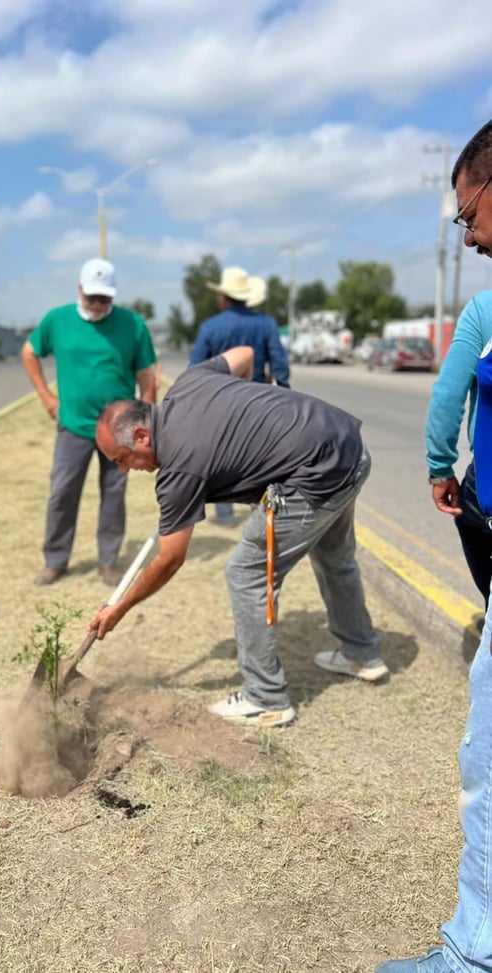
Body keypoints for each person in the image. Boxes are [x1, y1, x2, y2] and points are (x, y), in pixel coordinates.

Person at [89, 346, 385, 728]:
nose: (126, 471)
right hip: (346, 447)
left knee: (247, 575)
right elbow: (244, 355)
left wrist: (119, 608)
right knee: (334, 557)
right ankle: (362, 653)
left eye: (121, 459)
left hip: (316, 474)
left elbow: (169, 559)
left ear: (142, 435)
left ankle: (266, 698)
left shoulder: (179, 472)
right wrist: (249, 422)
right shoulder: (189, 383)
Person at [376, 119, 492, 973]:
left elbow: (447, 394)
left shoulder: (489, 304)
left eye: (467, 213)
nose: (469, 234)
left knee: (486, 759)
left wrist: (434, 468)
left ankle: (473, 952)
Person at [21, 258, 157, 587]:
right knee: (62, 491)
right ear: (79, 290)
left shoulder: (132, 325)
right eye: (91, 297)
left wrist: (145, 421)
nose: (97, 305)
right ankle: (56, 559)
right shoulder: (58, 320)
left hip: (118, 429)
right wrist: (46, 397)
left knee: (113, 493)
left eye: (104, 299)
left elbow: (147, 377)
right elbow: (29, 352)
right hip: (74, 425)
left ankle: (108, 562)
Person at [189, 266, 291, 528]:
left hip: (219, 403)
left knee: (220, 460)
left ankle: (225, 515)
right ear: (247, 297)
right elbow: (279, 365)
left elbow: (195, 368)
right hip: (257, 402)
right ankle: (261, 513)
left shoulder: (210, 327)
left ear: (224, 298)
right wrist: (285, 396)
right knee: (261, 459)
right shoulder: (267, 325)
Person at [426, 302, 492, 616]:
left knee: (470, 518)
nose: (471, 248)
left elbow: (449, 394)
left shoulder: (484, 308)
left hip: (488, 475)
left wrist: (440, 468)